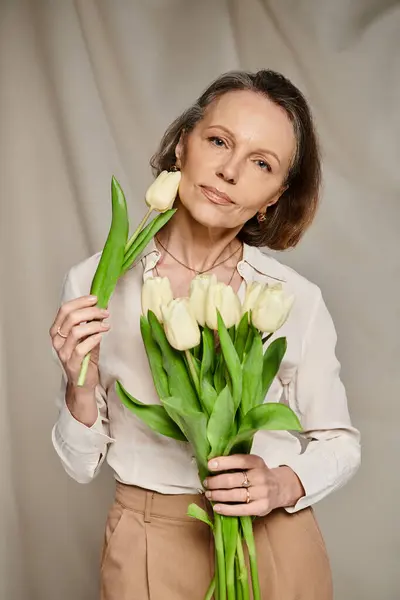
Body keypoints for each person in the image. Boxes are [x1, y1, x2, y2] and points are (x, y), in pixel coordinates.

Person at [49, 69, 361, 600]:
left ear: (274, 197)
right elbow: (81, 467)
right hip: (149, 543)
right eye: (219, 141)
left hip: (272, 539)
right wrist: (78, 385)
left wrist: (281, 483)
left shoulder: (290, 298)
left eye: (262, 163)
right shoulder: (96, 282)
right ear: (181, 148)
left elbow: (340, 444)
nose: (230, 171)